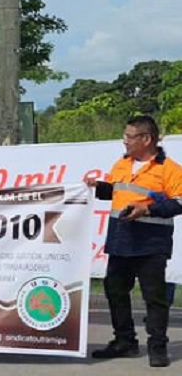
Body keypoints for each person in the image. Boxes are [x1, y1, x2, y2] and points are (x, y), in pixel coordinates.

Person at [85, 115, 182, 367]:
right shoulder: (122, 164)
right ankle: (124, 341)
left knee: (154, 296)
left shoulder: (169, 169)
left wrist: (147, 209)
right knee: (115, 290)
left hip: (151, 242)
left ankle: (157, 346)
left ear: (146, 139)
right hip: (121, 238)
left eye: (129, 137)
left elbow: (179, 203)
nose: (124, 141)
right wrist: (98, 186)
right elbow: (116, 192)